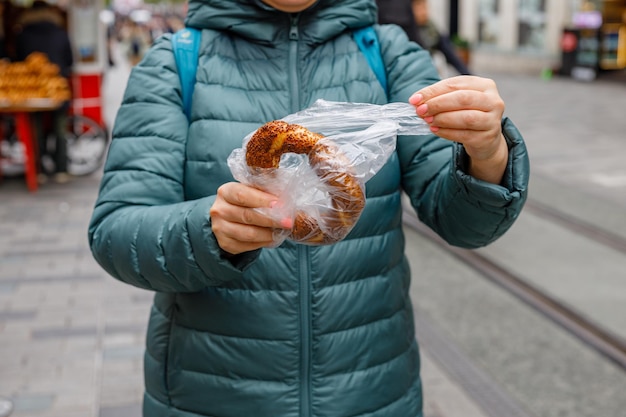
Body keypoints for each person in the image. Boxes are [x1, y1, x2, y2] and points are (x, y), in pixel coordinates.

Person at [88, 1, 529, 416]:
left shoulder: (389, 54)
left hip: (372, 387)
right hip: (211, 391)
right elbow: (116, 231)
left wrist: (487, 152)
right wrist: (207, 230)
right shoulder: (176, 62)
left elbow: (465, 226)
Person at [15, 0, 73, 183]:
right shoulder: (60, 32)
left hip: (33, 89)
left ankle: (38, 170)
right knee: (60, 129)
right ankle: (61, 169)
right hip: (59, 86)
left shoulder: (23, 34)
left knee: (35, 130)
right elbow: (70, 60)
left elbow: (18, 60)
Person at [411, 0, 472, 75]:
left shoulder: (431, 28)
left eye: (425, 7)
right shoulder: (408, 29)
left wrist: (468, 75)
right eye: (419, 8)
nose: (424, 12)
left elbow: (450, 53)